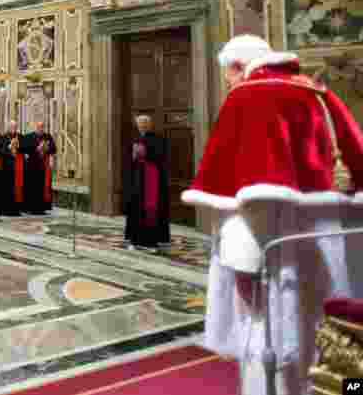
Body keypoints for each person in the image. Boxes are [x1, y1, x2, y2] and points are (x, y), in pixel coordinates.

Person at [182, 35, 363, 395]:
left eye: (228, 75)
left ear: (236, 67)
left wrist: (242, 264)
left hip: (272, 234)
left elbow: (247, 193)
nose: (230, 83)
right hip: (329, 233)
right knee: (327, 327)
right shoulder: (318, 92)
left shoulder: (249, 95)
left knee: (274, 327)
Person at [124, 114, 170, 249]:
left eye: (144, 123)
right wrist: (133, 155)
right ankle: (135, 239)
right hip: (137, 179)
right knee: (136, 208)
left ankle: (151, 240)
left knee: (151, 209)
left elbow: (161, 157)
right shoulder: (135, 139)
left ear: (150, 125)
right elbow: (129, 159)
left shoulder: (158, 139)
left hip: (152, 179)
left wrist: (145, 153)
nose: (142, 126)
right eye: (139, 123)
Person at [21, 120, 56, 214]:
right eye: (39, 127)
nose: (41, 129)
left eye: (42, 127)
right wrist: (37, 148)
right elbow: (24, 149)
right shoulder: (29, 136)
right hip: (32, 166)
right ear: (36, 127)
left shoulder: (48, 137)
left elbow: (53, 149)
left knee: (42, 187)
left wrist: (46, 148)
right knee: (32, 187)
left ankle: (41, 208)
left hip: (43, 166)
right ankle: (31, 208)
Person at [1, 120, 24, 216]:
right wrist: (10, 147)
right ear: (8, 127)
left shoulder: (20, 137)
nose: (13, 129)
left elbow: (26, 148)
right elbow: (1, 150)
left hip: (18, 166)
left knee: (17, 187)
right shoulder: (3, 137)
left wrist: (18, 146)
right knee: (7, 187)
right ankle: (6, 209)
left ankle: (16, 209)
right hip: (7, 166)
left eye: (15, 127)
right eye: (11, 127)